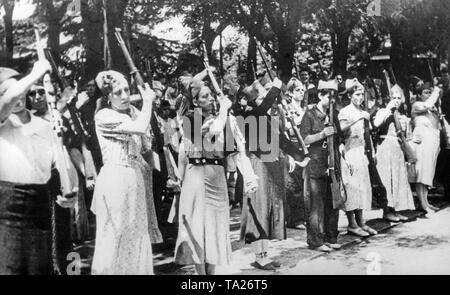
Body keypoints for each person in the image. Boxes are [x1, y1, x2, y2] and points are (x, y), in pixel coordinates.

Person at [174, 76, 257, 275]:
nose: (211, 99)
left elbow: (236, 150)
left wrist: (249, 177)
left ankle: (210, 275)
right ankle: (200, 275)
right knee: (199, 228)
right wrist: (223, 112)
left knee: (215, 229)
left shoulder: (225, 119)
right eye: (205, 96)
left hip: (217, 178)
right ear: (195, 101)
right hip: (197, 177)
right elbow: (208, 137)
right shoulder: (190, 120)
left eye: (211, 95)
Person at [0, 63, 76, 275]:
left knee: (41, 270)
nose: (17, 96)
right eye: (4, 91)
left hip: (40, 205)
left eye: (18, 89)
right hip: (6, 209)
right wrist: (35, 72)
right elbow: (6, 102)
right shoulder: (2, 122)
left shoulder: (44, 126)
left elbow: (61, 162)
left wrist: (68, 191)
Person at [91, 70, 162, 275]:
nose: (124, 96)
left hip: (135, 178)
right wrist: (147, 103)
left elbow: (147, 145)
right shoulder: (104, 116)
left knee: (136, 234)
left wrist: (142, 109)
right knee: (114, 233)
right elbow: (139, 128)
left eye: (127, 90)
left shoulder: (130, 114)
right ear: (107, 97)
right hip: (115, 179)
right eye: (117, 92)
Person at [238, 76, 302, 270]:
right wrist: (276, 86)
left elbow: (280, 139)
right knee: (259, 208)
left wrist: (295, 154)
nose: (266, 98)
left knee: (268, 209)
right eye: (262, 96)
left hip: (271, 165)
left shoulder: (265, 115)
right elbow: (263, 106)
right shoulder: (250, 114)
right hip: (258, 166)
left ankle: (264, 254)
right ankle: (259, 255)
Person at [300, 80, 342, 252]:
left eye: (333, 97)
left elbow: (339, 138)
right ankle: (316, 241)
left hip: (332, 161)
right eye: (328, 96)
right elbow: (304, 139)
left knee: (332, 201)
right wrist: (323, 134)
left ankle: (330, 237)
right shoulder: (309, 114)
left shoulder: (334, 114)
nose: (331, 100)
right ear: (320, 95)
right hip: (316, 162)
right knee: (316, 204)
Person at [338, 78, 377, 237]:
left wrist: (372, 152)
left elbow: (367, 134)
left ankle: (361, 222)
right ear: (350, 96)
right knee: (351, 187)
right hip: (349, 151)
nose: (360, 98)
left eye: (362, 94)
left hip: (361, 151)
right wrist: (358, 119)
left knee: (361, 187)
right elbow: (341, 131)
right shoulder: (345, 111)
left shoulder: (363, 112)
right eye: (357, 94)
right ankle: (352, 224)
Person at [373, 89, 416, 220]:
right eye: (394, 98)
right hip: (385, 147)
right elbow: (375, 124)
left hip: (397, 148)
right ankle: (387, 211)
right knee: (387, 179)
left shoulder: (400, 115)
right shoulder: (382, 111)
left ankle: (396, 209)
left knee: (398, 178)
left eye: (399, 98)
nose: (396, 100)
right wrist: (387, 109)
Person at [410, 82, 442, 213]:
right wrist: (436, 92)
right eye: (426, 92)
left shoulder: (431, 108)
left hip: (432, 146)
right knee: (420, 174)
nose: (428, 94)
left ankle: (426, 202)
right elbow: (427, 104)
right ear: (419, 95)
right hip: (421, 145)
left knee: (427, 174)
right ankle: (422, 203)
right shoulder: (417, 105)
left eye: (430, 92)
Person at [284, 77, 307, 230]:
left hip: (306, 146)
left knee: (305, 184)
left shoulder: (305, 109)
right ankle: (295, 219)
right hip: (293, 146)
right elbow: (286, 130)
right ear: (291, 93)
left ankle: (304, 216)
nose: (301, 93)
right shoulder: (287, 108)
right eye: (298, 90)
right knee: (294, 185)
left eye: (303, 90)